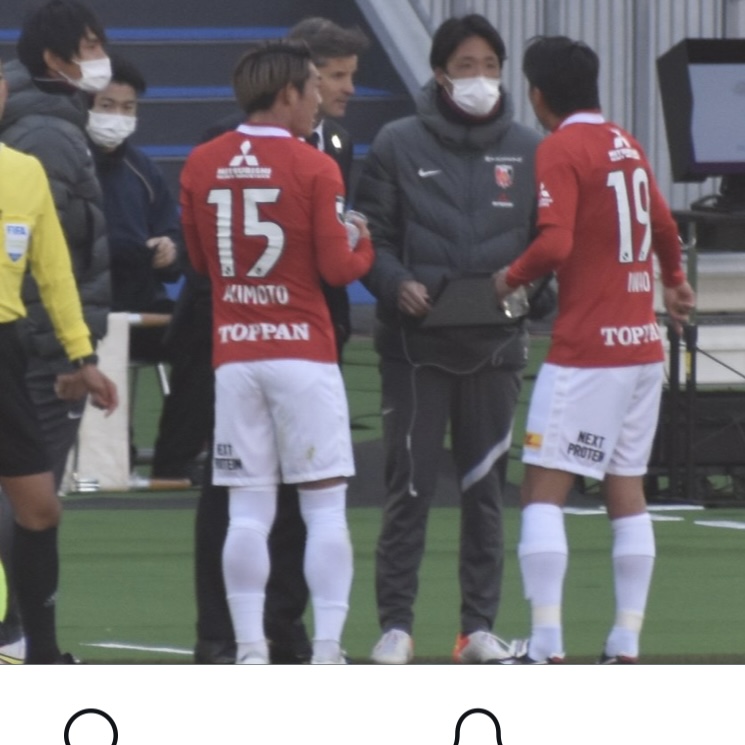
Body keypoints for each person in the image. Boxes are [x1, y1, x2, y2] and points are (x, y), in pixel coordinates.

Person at [493, 36, 695, 664]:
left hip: (587, 353)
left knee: (541, 490)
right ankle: (624, 643)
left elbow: (554, 244)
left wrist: (508, 278)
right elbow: (664, 224)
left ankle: (546, 646)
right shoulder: (625, 143)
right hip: (641, 349)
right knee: (625, 490)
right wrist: (675, 281)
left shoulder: (560, 148)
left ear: (536, 95)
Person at [355, 14, 550, 664]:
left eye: (490, 66)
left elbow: (549, 244)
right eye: (466, 66)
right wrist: (396, 284)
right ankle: (395, 627)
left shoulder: (529, 149)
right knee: (408, 491)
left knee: (486, 492)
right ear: (440, 73)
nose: (479, 78)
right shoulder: (396, 142)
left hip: (495, 349)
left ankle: (477, 629)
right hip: (416, 349)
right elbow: (372, 238)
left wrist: (529, 292)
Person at [182, 18, 369, 664]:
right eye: (313, 87)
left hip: (236, 353)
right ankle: (326, 650)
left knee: (246, 511)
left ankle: (249, 649)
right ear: (288, 93)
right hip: (303, 353)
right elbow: (338, 268)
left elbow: (200, 262)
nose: (320, 98)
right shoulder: (315, 164)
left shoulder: (202, 161)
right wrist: (364, 242)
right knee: (323, 509)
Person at [0, 0, 111, 664]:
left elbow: (55, 272)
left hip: (6, 351)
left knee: (39, 507)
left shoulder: (24, 172)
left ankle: (39, 653)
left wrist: (83, 354)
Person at [86, 53, 183, 363]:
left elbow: (173, 235)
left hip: (140, 305)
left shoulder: (144, 170)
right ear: (86, 106)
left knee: (200, 332)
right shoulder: (69, 163)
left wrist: (170, 252)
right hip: (82, 310)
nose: (118, 116)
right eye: (107, 106)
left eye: (128, 108)